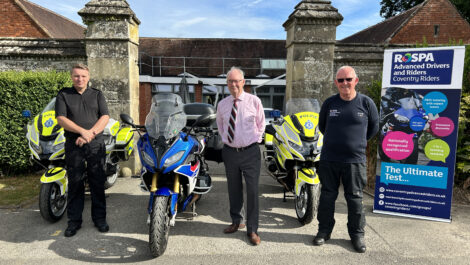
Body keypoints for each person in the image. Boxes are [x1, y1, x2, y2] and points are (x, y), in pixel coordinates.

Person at [313, 66, 379, 253]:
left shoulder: (366, 103)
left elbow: (373, 127)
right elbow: (323, 126)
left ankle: (357, 235)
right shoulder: (329, 103)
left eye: (348, 79)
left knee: (355, 199)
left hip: (355, 161)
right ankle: (324, 231)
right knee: (327, 197)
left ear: (356, 81)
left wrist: (357, 142)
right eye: (340, 80)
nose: (345, 83)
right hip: (329, 159)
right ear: (336, 83)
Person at [55, 63, 110, 237]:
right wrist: (81, 132)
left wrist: (90, 134)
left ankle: (100, 219)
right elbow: (61, 119)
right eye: (77, 76)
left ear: (88, 77)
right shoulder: (64, 94)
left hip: (95, 144)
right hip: (74, 144)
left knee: (97, 182)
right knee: (75, 183)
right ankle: (74, 222)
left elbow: (105, 117)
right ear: (72, 77)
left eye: (83, 76)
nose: (80, 79)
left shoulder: (97, 94)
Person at [216, 67, 265, 245]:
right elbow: (221, 126)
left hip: (250, 152)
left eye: (237, 81)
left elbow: (261, 124)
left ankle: (252, 230)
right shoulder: (222, 104)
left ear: (243, 82)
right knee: (233, 189)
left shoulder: (254, 101)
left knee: (252, 191)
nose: (234, 84)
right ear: (227, 83)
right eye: (230, 81)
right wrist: (228, 141)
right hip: (230, 152)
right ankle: (237, 221)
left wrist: (255, 140)